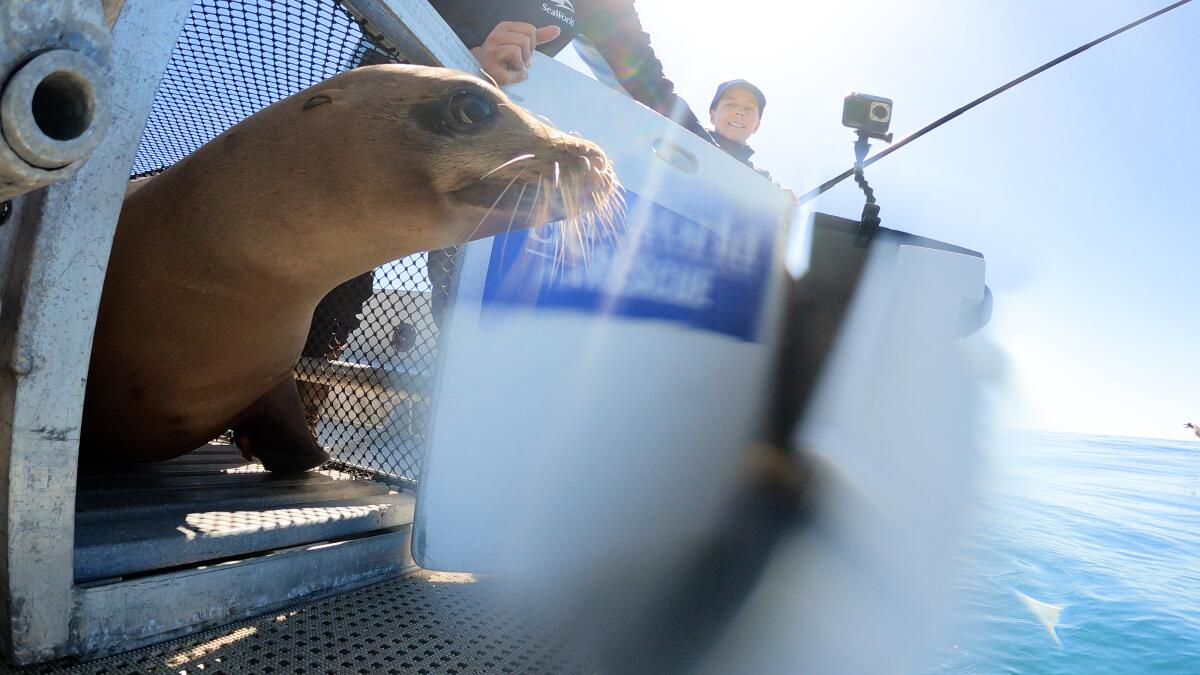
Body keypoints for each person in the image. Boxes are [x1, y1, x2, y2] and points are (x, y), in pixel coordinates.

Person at [707, 79, 772, 180]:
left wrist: (782, 195)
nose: (740, 112)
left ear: (756, 126)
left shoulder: (762, 178)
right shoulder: (687, 139)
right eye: (731, 104)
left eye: (749, 108)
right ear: (712, 115)